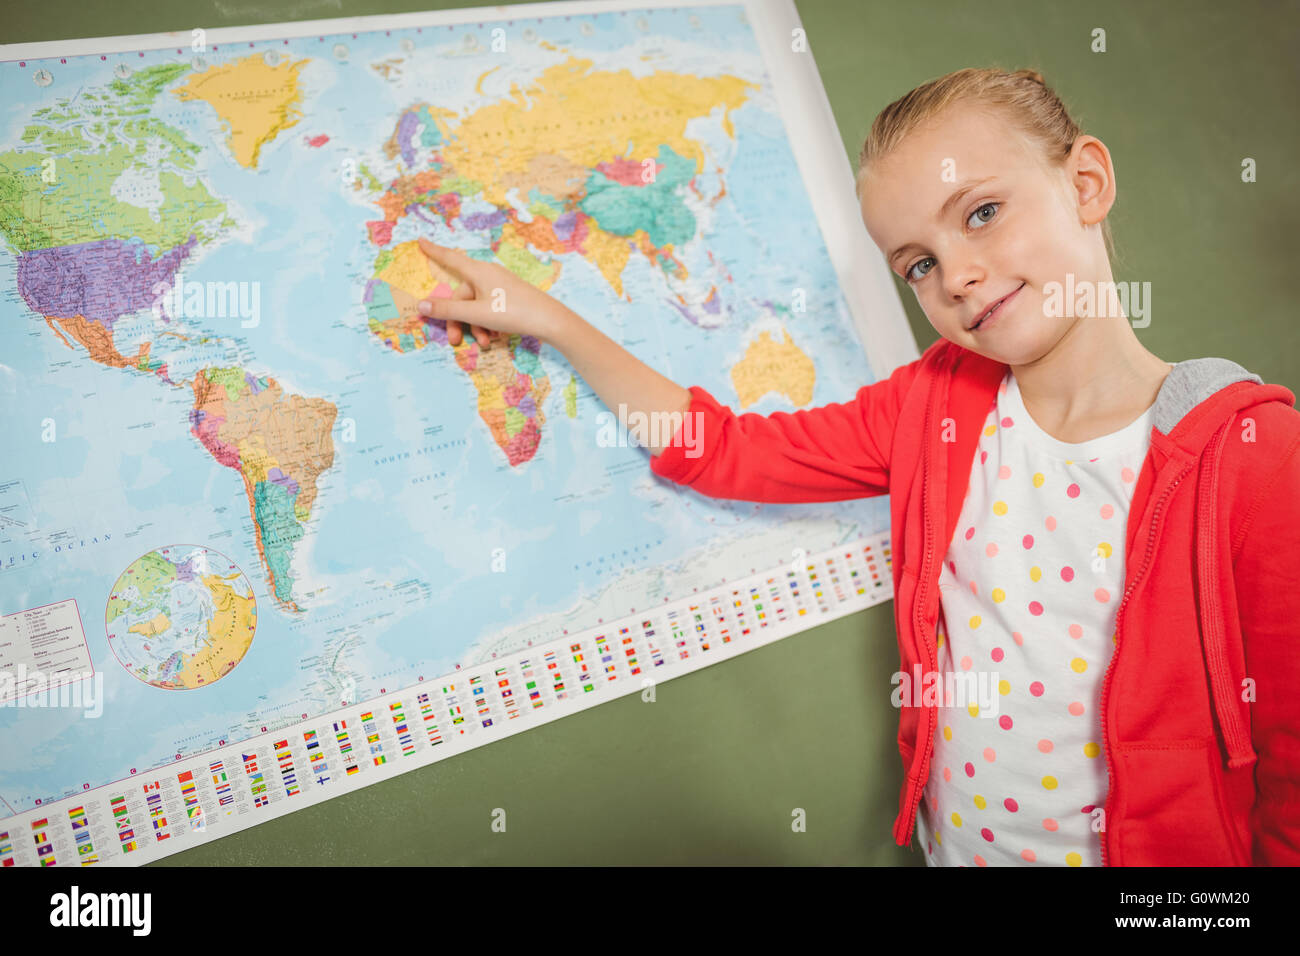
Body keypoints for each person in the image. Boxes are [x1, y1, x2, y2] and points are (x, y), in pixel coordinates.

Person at [414, 66, 1300, 866]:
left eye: (982, 213)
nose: (955, 275)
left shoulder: (1251, 453)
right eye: (918, 263)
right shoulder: (932, 406)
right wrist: (557, 323)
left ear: (1086, 184)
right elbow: (719, 451)